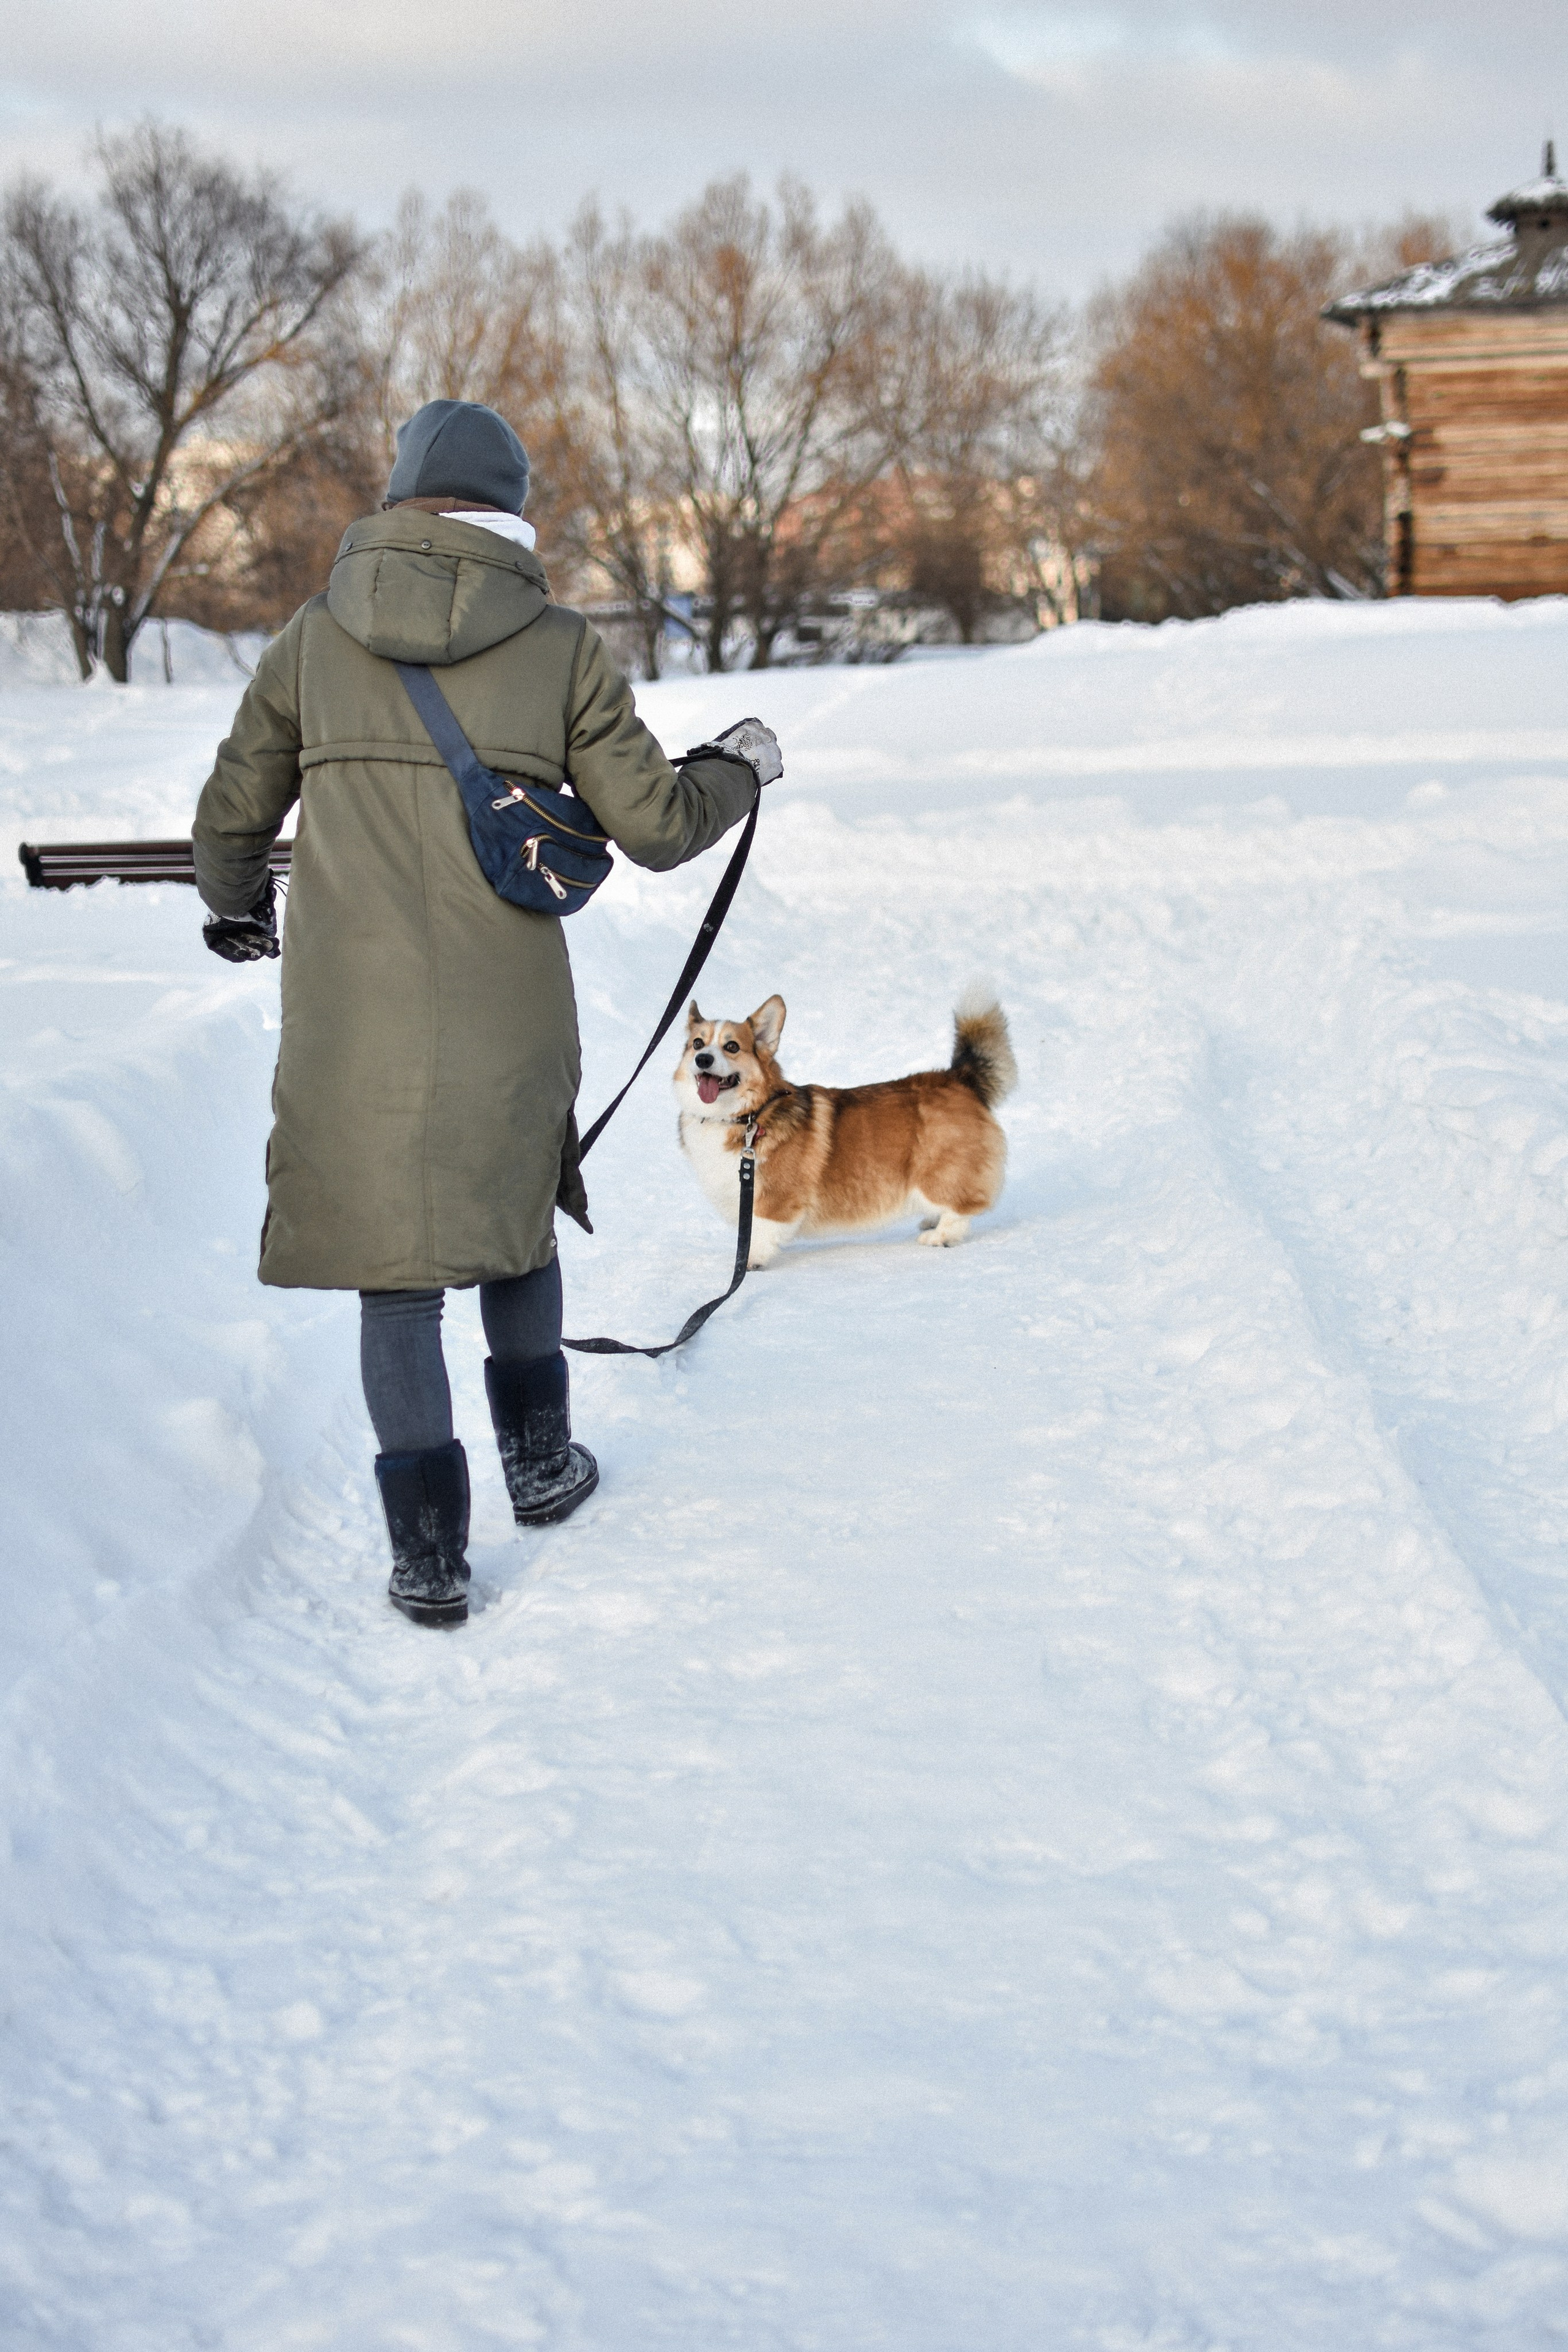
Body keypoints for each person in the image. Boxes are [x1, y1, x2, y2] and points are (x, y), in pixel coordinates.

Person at [193, 399, 780, 1629]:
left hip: (347, 1021)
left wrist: (237, 911)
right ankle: (541, 1470)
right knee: (515, 1233)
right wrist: (740, 766)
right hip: (506, 1012)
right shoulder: (559, 645)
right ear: (507, 508)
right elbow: (659, 826)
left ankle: (426, 1560)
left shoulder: (311, 638)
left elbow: (234, 813)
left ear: (401, 499)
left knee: (394, 1283)